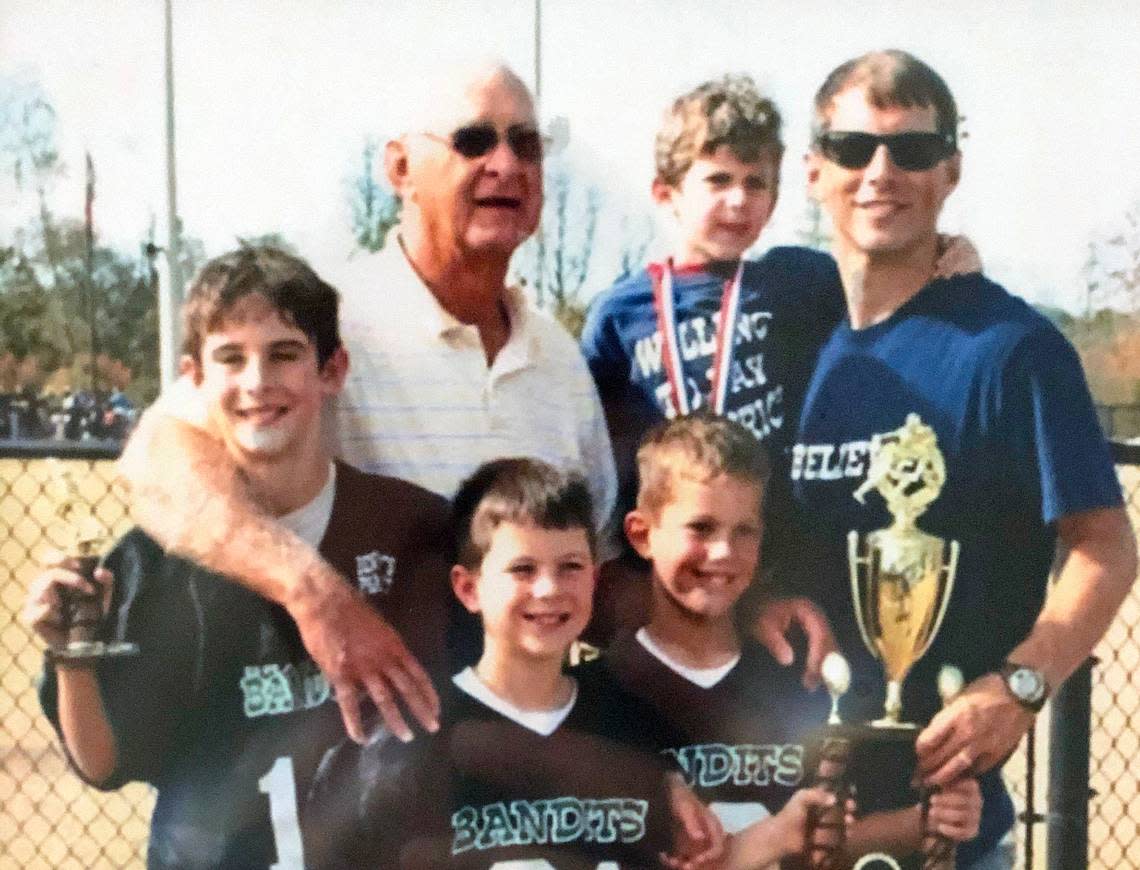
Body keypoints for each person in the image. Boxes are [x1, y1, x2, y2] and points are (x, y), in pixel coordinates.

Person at [118, 61, 616, 744]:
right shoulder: (327, 322)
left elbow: (603, 565)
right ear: (401, 169)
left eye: (525, 144)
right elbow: (158, 461)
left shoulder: (557, 356)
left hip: (513, 754)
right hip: (368, 754)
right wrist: (312, 591)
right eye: (473, 140)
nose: (506, 163)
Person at [771, 49, 1138, 868]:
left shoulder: (1012, 350)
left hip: (942, 828)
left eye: (912, 150)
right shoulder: (786, 340)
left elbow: (1104, 544)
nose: (881, 172)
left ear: (951, 170)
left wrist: (1021, 686)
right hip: (768, 820)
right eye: (853, 148)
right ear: (813, 171)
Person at [24, 246, 456, 868]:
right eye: (232, 358)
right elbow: (105, 762)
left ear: (332, 370)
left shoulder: (409, 526)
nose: (258, 382)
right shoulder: (160, 556)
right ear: (195, 379)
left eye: (284, 354)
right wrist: (71, 655)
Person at [579, 74, 973, 678]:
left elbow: (884, 276)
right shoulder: (619, 312)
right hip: (664, 562)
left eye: (755, 184)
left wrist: (949, 252)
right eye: (717, 180)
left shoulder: (798, 281)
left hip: (768, 559)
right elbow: (599, 456)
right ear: (666, 192)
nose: (738, 201)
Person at [307, 457, 771, 868]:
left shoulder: (638, 728)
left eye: (569, 567)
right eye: (522, 570)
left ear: (594, 577)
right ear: (469, 588)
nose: (549, 590)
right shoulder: (413, 742)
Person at [607, 413, 980, 868]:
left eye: (744, 531)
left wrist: (931, 819)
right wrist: (770, 839)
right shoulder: (605, 691)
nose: (724, 552)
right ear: (642, 535)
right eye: (701, 528)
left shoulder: (799, 677)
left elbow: (827, 838)